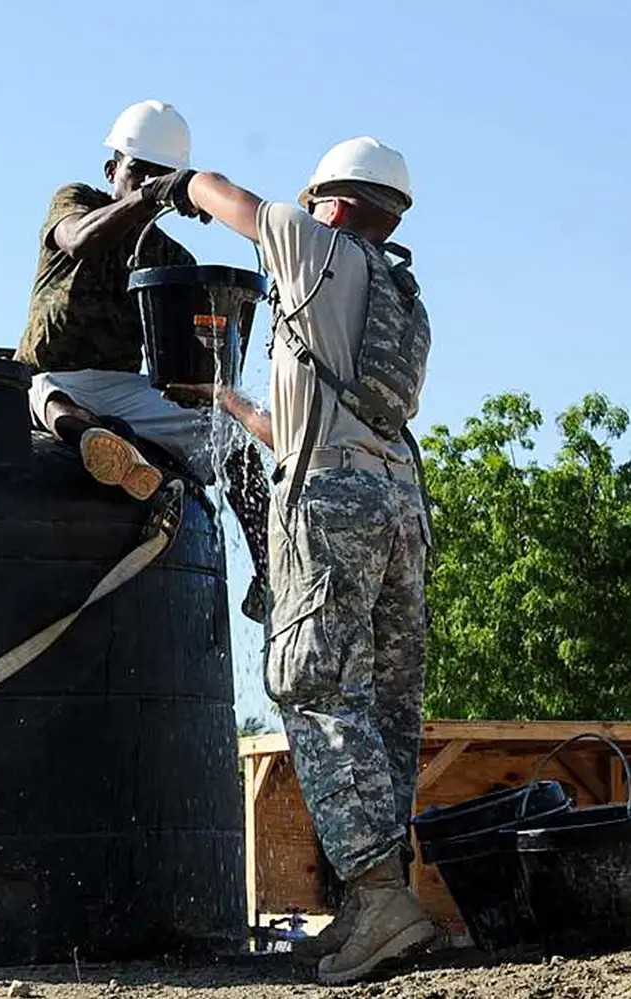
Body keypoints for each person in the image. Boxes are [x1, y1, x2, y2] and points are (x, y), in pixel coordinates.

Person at [145, 137, 434, 984]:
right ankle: (370, 905)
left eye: (314, 203)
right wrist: (227, 401)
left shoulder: (316, 246)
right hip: (399, 511)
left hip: (333, 513)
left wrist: (176, 185)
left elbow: (230, 199)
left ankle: (380, 895)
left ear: (334, 205)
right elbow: (310, 425)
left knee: (310, 681)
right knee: (382, 710)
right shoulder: (400, 296)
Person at [15, 99, 271, 621]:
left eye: (161, 176)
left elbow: (188, 357)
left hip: (123, 389)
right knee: (39, 394)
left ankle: (271, 570)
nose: (147, 183)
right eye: (139, 172)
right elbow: (81, 241)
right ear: (113, 170)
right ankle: (90, 439)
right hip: (49, 375)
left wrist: (210, 395)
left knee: (229, 441)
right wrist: (152, 197)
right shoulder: (75, 201)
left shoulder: (173, 260)